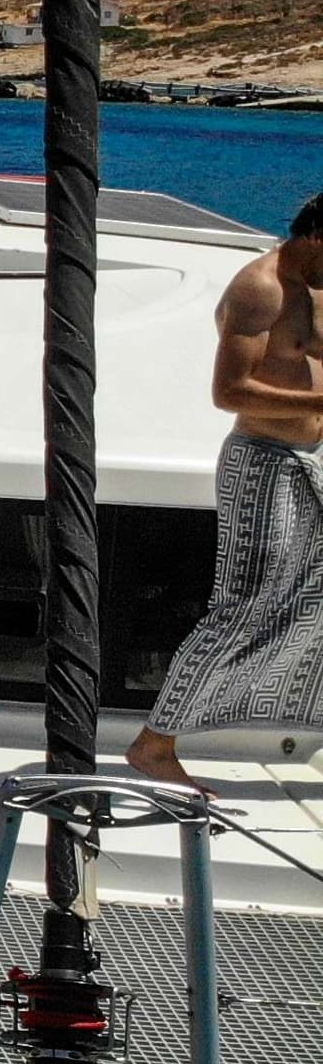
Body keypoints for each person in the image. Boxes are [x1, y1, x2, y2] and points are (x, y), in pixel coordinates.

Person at [130, 193, 323, 788]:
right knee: (245, 602)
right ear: (315, 236)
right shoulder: (258, 289)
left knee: (315, 600)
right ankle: (154, 745)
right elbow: (230, 392)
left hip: (314, 456)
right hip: (262, 460)